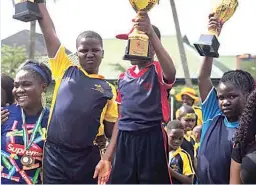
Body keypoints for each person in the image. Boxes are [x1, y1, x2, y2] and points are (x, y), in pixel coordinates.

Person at [36, 3, 119, 184]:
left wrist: (107, 158)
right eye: (84, 50)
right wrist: (40, 4)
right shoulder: (64, 68)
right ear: (77, 53)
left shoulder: (109, 90)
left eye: (95, 50)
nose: (90, 54)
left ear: (102, 53)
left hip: (87, 157)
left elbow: (113, 131)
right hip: (55, 156)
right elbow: (49, 32)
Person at [94, 11, 176, 184]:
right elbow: (120, 119)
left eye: (137, 41)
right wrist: (107, 158)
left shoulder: (157, 70)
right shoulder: (123, 78)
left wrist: (151, 34)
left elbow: (171, 72)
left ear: (152, 45)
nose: (131, 47)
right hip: (125, 138)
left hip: (151, 136)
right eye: (130, 42)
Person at [196, 14, 256, 184]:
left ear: (249, 96)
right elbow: (203, 78)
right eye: (221, 97)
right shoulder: (213, 114)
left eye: (232, 96)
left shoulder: (254, 127)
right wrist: (212, 37)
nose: (225, 102)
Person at [1, 60, 52, 184]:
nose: (19, 90)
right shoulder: (5, 114)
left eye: (26, 84)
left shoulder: (53, 119)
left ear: (43, 87)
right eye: (16, 85)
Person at [166, 120, 195, 184]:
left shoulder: (184, 155)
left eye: (180, 138)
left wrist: (171, 172)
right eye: (173, 137)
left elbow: (189, 181)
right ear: (166, 134)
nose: (177, 141)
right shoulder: (159, 153)